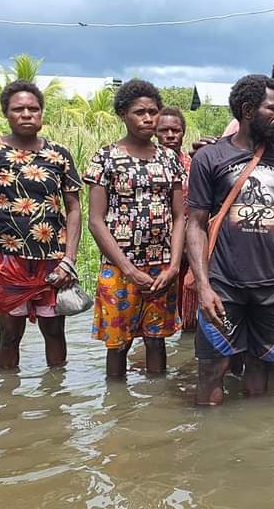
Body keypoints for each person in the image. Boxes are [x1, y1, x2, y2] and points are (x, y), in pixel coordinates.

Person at [186, 74, 274, 406]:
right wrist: (203, 285)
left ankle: (260, 446)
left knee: (265, 369)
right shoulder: (208, 159)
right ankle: (210, 442)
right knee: (213, 368)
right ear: (246, 110)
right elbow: (195, 225)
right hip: (224, 284)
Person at [0, 80, 83, 370]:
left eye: (33, 109)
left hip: (52, 262)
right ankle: (8, 401)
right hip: (5, 261)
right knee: (9, 335)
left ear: (42, 113)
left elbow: (73, 208)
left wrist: (69, 260)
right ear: (6, 114)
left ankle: (57, 401)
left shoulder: (58, 154)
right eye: (18, 109)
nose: (26, 114)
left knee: (54, 332)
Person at [83, 79, 185, 379]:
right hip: (119, 269)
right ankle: (117, 409)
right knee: (118, 345)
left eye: (153, 111)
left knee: (157, 341)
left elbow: (179, 216)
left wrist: (175, 266)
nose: (148, 118)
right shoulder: (105, 158)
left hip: (162, 268)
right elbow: (96, 220)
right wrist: (128, 269)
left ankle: (156, 410)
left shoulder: (169, 159)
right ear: (122, 114)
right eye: (139, 112)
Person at [156, 106, 199, 331]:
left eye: (176, 130)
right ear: (155, 131)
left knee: (188, 305)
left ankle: (186, 359)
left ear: (183, 132)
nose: (170, 136)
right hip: (157, 247)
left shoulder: (194, 165)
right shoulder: (148, 166)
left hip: (188, 247)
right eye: (164, 130)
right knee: (155, 312)